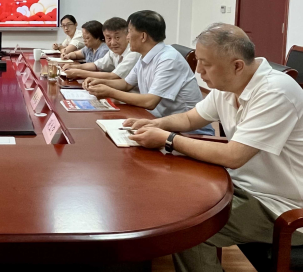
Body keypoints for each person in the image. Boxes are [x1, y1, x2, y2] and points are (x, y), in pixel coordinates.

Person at [123, 23, 303, 271]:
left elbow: (234, 156)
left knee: (188, 229)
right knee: (168, 198)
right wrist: (156, 123)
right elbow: (190, 119)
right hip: (241, 184)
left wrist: (167, 139)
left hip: (279, 204)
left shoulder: (276, 92)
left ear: (237, 65)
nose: (198, 71)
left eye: (205, 64)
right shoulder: (229, 85)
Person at [83, 10, 214, 135]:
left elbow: (150, 102)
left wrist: (110, 92)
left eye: (129, 32)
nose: (127, 37)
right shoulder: (145, 56)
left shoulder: (168, 59)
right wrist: (99, 82)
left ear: (143, 36)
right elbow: (126, 84)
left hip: (187, 132)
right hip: (158, 121)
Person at [62, 17, 140, 81]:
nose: (113, 43)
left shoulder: (133, 52)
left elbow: (114, 76)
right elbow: (96, 65)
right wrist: (74, 67)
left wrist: (79, 73)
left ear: (127, 36)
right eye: (109, 38)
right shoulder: (113, 52)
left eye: (117, 37)